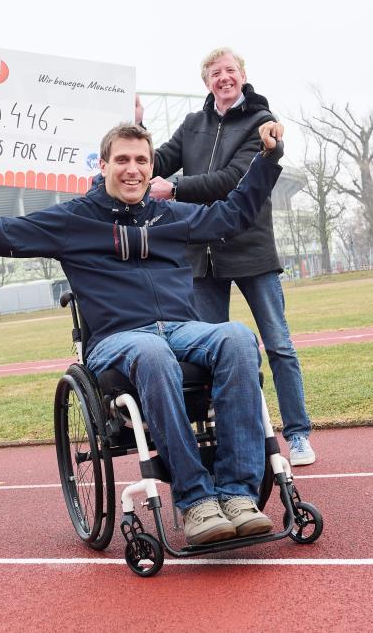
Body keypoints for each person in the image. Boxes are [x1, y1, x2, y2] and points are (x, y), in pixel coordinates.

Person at [0, 123, 283, 545]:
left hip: (181, 329)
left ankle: (237, 495)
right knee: (151, 352)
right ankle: (196, 500)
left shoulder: (171, 214)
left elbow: (232, 216)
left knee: (237, 336)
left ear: (152, 168)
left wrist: (267, 159)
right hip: (118, 339)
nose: (132, 170)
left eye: (141, 161)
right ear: (103, 164)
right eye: (122, 160)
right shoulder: (73, 219)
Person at [136, 47, 316, 466]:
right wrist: (137, 128)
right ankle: (230, 436)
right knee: (211, 352)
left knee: (278, 344)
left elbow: (234, 180)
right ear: (206, 82)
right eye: (215, 73)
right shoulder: (192, 124)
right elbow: (157, 160)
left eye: (230, 71)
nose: (223, 78)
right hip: (201, 256)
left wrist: (175, 189)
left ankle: (299, 434)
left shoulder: (260, 122)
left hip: (250, 250)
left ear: (242, 75)